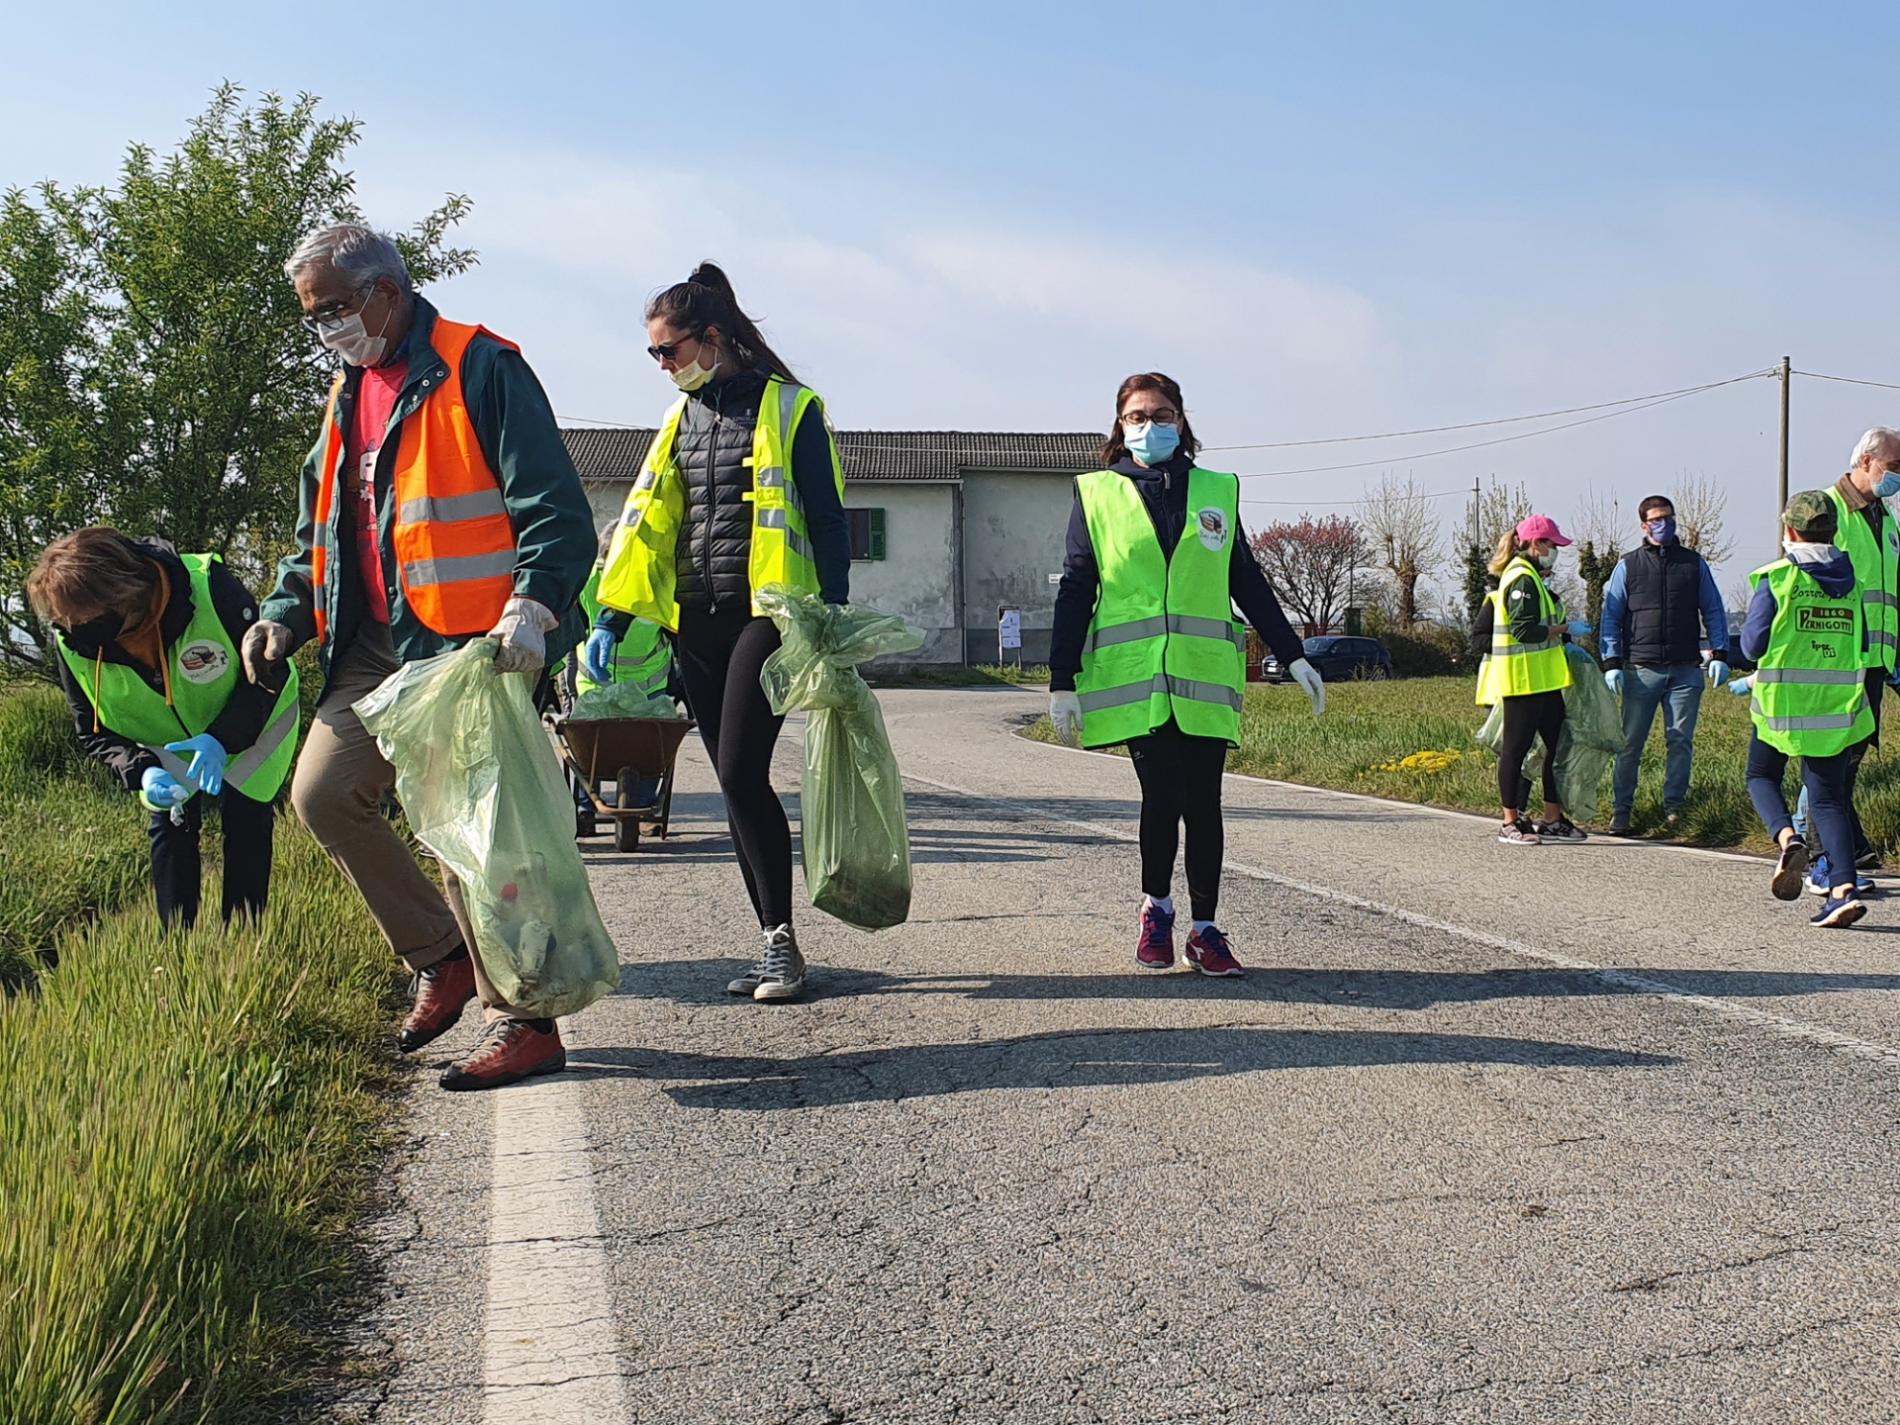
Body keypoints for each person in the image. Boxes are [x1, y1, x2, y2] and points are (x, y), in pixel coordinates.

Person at [252, 223, 595, 1091]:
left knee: (472, 842)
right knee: (323, 795)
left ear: (387, 292)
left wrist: (535, 605)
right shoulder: (344, 394)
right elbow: (317, 536)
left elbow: (556, 509)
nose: (324, 328)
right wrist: (284, 614)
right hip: (370, 643)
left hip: (468, 646)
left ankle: (524, 1022)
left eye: (332, 309)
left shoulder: (481, 366)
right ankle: (438, 955)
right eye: (313, 317)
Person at [589, 262, 849, 1002]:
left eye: (667, 351)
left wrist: (829, 613)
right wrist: (612, 615)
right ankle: (773, 940)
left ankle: (781, 945)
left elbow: (828, 520)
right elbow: (647, 525)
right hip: (693, 622)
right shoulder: (680, 420)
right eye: (654, 356)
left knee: (739, 770)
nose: (663, 367)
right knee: (736, 786)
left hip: (764, 617)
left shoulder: (791, 408)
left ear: (712, 337)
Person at [1047, 371, 1322, 978]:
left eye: (1162, 414)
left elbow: (1244, 578)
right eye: (1137, 417)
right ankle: (1158, 911)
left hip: (1202, 675)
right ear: (1120, 426)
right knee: (1161, 797)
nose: (1150, 426)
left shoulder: (1215, 490)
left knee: (1205, 803)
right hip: (1139, 677)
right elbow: (1076, 588)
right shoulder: (1096, 494)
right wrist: (1060, 677)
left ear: (1182, 419)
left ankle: (1205, 930)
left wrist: (1292, 651)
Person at [28, 529, 300, 931]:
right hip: (165, 747)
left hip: (253, 729)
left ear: (127, 591)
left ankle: (244, 940)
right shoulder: (74, 640)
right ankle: (177, 946)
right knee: (171, 831)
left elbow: (265, 677)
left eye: (91, 618)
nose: (79, 632)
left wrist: (221, 740)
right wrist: (139, 770)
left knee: (246, 824)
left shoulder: (210, 588)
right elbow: (92, 730)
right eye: (71, 623)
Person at [1732, 490, 1871, 928]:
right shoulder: (1853, 583)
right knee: (1828, 800)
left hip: (1783, 708)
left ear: (1790, 530)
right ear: (1832, 530)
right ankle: (1844, 889)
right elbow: (1862, 645)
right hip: (1836, 710)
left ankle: (1788, 838)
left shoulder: (1777, 579)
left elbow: (1753, 646)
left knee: (1761, 776)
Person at [1794, 427, 1900, 885]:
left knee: (1850, 757)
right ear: (1865, 462)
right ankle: (1822, 857)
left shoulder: (1885, 517)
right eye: (1894, 468)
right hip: (1833, 658)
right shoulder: (1828, 509)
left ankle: (1831, 848)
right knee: (1832, 759)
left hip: (1875, 659)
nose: (1898, 476)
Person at [1598, 493, 1731, 835]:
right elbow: (1611, 615)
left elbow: (1713, 609)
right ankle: (1621, 809)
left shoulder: (1693, 563)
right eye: (1657, 519)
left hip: (1686, 669)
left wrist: (1719, 652)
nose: (1665, 524)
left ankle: (1674, 809)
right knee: (1630, 744)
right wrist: (1611, 660)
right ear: (1644, 525)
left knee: (1680, 742)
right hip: (1641, 670)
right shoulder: (1628, 565)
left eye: (1669, 518)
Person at [1474, 516, 1592, 845]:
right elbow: (1524, 631)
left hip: (1545, 680)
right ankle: (1510, 820)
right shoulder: (1521, 578)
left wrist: (1565, 644)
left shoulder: (1535, 580)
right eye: (1552, 545)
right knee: (1516, 750)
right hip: (1522, 680)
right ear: (1535, 544)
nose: (1556, 551)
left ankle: (1552, 818)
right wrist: (1565, 630)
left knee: (1557, 747)